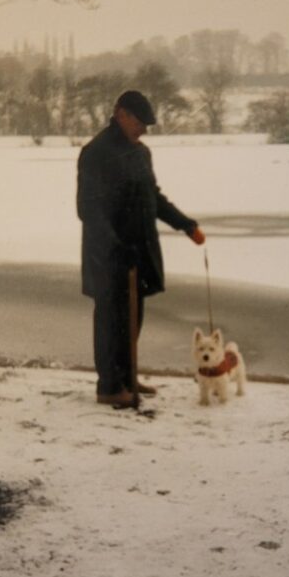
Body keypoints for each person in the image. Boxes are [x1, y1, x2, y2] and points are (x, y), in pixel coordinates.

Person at [76, 90, 205, 406]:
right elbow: (89, 209)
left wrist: (184, 224)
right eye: (140, 122)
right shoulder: (96, 152)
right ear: (121, 114)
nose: (144, 130)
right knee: (110, 321)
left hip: (139, 250)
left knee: (133, 319)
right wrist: (116, 247)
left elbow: (153, 198)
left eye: (147, 125)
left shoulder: (140, 153)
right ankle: (109, 387)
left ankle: (128, 377)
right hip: (107, 255)